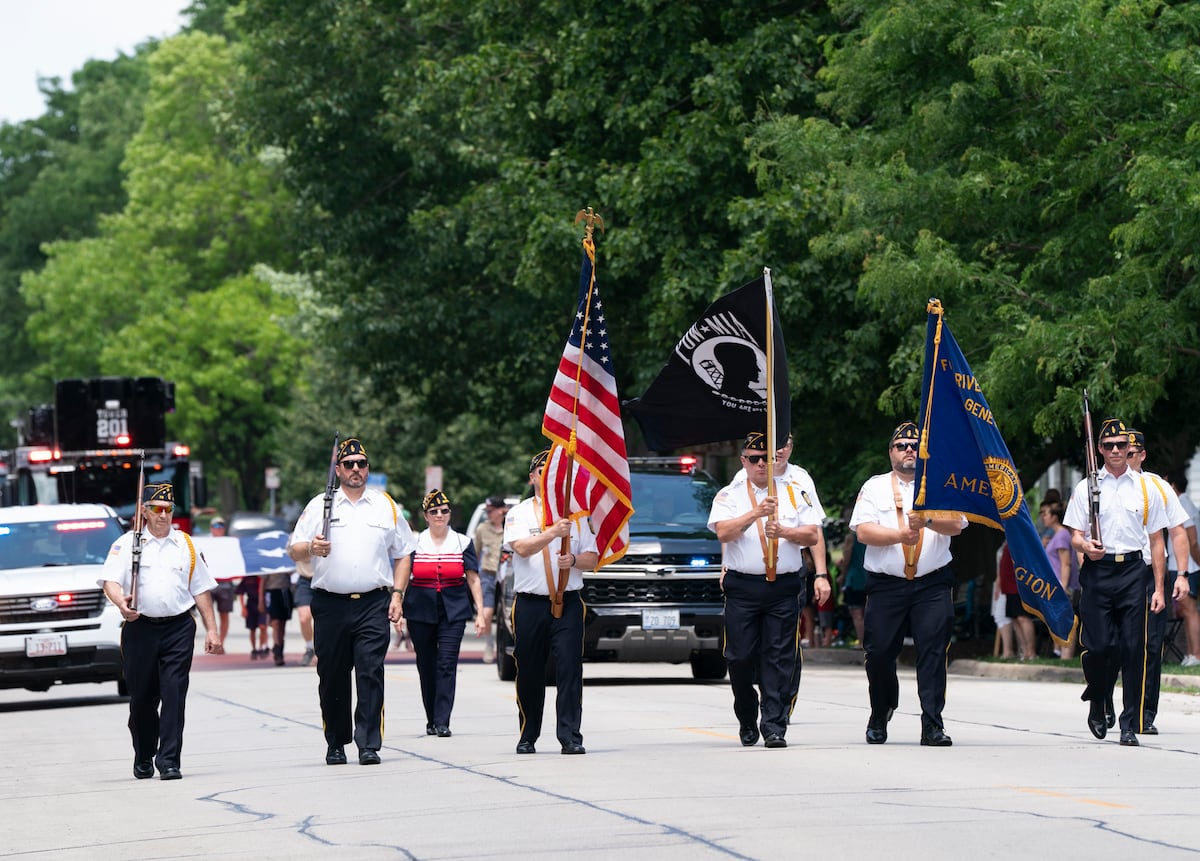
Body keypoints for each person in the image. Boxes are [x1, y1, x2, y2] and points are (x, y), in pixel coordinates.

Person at [288, 437, 416, 766]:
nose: (355, 468)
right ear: (338, 469)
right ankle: (336, 741)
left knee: (370, 672)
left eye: (361, 463)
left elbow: (404, 553)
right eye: (349, 464)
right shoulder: (320, 505)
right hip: (330, 604)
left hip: (373, 602)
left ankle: (368, 743)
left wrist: (398, 595)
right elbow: (294, 549)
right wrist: (311, 548)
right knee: (332, 676)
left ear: (368, 469)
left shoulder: (385, 505)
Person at [708, 432, 829, 749]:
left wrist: (785, 531)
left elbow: (812, 535)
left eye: (767, 458)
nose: (761, 464)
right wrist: (756, 514)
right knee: (739, 657)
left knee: (778, 657)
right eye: (754, 459)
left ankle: (774, 725)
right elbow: (723, 533)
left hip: (783, 586)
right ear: (743, 461)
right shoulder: (729, 494)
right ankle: (747, 715)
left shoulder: (794, 490)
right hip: (743, 586)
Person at [848, 421, 965, 746]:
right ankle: (881, 710)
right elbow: (863, 532)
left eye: (915, 445)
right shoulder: (875, 487)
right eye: (902, 446)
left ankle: (932, 724)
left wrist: (928, 520)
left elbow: (957, 525)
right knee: (879, 653)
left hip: (932, 584)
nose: (909, 450)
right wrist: (900, 534)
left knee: (933, 652)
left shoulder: (942, 484)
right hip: (887, 585)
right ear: (891, 453)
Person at [97, 482, 222, 780]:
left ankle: (169, 760)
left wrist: (212, 630)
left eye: (168, 509)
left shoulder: (187, 545)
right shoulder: (128, 544)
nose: (163, 515)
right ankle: (144, 753)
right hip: (140, 627)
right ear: (145, 511)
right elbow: (110, 581)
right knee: (142, 697)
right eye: (157, 509)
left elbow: (201, 589)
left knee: (174, 692)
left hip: (178, 627)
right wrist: (121, 603)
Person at [1063, 417, 1174, 746]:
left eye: (1121, 445)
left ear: (1130, 449)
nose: (1115, 450)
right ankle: (1098, 698)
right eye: (1109, 445)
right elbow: (1074, 535)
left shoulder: (1145, 487)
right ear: (1099, 449)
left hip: (1133, 572)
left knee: (1133, 648)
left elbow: (1157, 540)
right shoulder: (1086, 486)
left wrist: (1159, 588)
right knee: (1100, 647)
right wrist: (1086, 546)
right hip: (1098, 571)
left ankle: (1129, 723)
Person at [505, 449, 598, 755]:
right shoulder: (519, 513)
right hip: (530, 604)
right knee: (529, 671)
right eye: (541, 471)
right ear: (532, 478)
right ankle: (528, 734)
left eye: (554, 472)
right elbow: (521, 547)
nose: (547, 477)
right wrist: (552, 532)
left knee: (570, 668)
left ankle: (570, 736)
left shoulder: (577, 516)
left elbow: (593, 558)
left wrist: (574, 560)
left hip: (568, 602)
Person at [394, 489, 485, 736]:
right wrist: (398, 604)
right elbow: (403, 575)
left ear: (450, 514)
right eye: (433, 511)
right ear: (425, 516)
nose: (439, 515)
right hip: (420, 609)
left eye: (444, 511)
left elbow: (473, 579)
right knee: (426, 664)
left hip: (453, 610)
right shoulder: (414, 542)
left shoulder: (463, 542)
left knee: (446, 663)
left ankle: (443, 720)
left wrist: (480, 612)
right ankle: (431, 718)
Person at [1124, 429, 1190, 734]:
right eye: (1118, 449)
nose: (1124, 457)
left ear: (1142, 455)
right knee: (1113, 644)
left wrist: (1183, 575)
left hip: (1153, 572)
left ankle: (1144, 713)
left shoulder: (1158, 487)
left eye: (1131, 452)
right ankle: (1105, 702)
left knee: (1152, 643)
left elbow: (1178, 531)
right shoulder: (1102, 485)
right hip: (1116, 573)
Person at [1168, 472, 1200, 666]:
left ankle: (1196, 654)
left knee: (1190, 610)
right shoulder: (1179, 503)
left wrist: (1197, 564)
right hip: (1177, 564)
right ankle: (1190, 653)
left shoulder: (1183, 504)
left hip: (1188, 566)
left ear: (1173, 486)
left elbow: (1193, 540)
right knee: (1184, 610)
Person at [1040, 500, 1079, 660]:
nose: (1042, 517)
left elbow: (1066, 563)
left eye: (1045, 513)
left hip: (1062, 586)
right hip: (1055, 585)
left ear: (1054, 517)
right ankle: (1060, 653)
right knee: (1058, 620)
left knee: (1066, 620)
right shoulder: (1057, 535)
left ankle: (1066, 655)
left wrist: (1064, 586)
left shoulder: (1062, 535)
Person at [474, 495, 509, 664]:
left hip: (507, 575)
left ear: (502, 510)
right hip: (488, 574)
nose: (488, 514)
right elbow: (476, 553)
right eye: (487, 511)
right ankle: (489, 644)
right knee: (486, 613)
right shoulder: (482, 529)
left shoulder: (510, 527)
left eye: (491, 510)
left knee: (509, 612)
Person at [998, 543, 1036, 660]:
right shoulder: (1007, 543)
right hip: (1008, 586)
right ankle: (1025, 651)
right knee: (1015, 618)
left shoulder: (1020, 540)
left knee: (1023, 617)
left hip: (1018, 585)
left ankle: (1032, 652)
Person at [208, 516, 235, 650]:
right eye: (216, 526)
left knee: (224, 615)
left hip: (225, 583)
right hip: (210, 583)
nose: (219, 529)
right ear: (211, 528)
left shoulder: (230, 543)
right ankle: (213, 638)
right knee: (208, 614)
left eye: (221, 526)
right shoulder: (205, 543)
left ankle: (221, 643)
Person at [263, 567, 294, 666]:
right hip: (272, 592)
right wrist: (261, 601)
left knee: (282, 623)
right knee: (275, 622)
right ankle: (277, 650)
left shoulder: (286, 560)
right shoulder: (267, 562)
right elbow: (262, 582)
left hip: (285, 592)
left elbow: (293, 573)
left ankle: (280, 646)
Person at [235, 574, 269, 658]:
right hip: (251, 604)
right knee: (252, 628)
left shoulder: (263, 576)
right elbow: (241, 593)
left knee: (262, 626)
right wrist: (243, 608)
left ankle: (261, 647)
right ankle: (254, 649)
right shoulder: (247, 577)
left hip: (263, 603)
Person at [293, 556, 317, 666]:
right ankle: (309, 648)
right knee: (304, 618)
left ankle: (321, 650)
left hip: (324, 578)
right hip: (305, 580)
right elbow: (293, 554)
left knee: (324, 619)